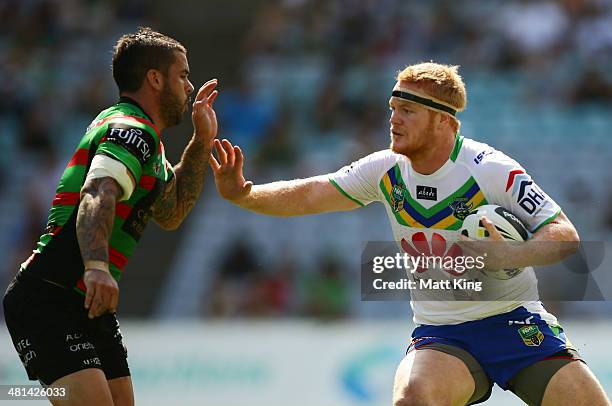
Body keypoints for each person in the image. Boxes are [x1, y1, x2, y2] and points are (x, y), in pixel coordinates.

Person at [210, 62, 611, 405]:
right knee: (412, 398)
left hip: (513, 321)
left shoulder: (491, 169)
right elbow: (313, 194)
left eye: (408, 110)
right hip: (443, 335)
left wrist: (506, 256)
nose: (393, 119)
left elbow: (564, 236)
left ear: (444, 121)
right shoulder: (385, 170)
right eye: (393, 108)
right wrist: (245, 194)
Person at [3, 27, 219, 406]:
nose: (189, 87)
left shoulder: (147, 145)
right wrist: (97, 266)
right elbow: (97, 191)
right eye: (183, 75)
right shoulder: (131, 132)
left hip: (85, 304)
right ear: (155, 79)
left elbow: (172, 212)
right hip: (50, 296)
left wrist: (202, 142)